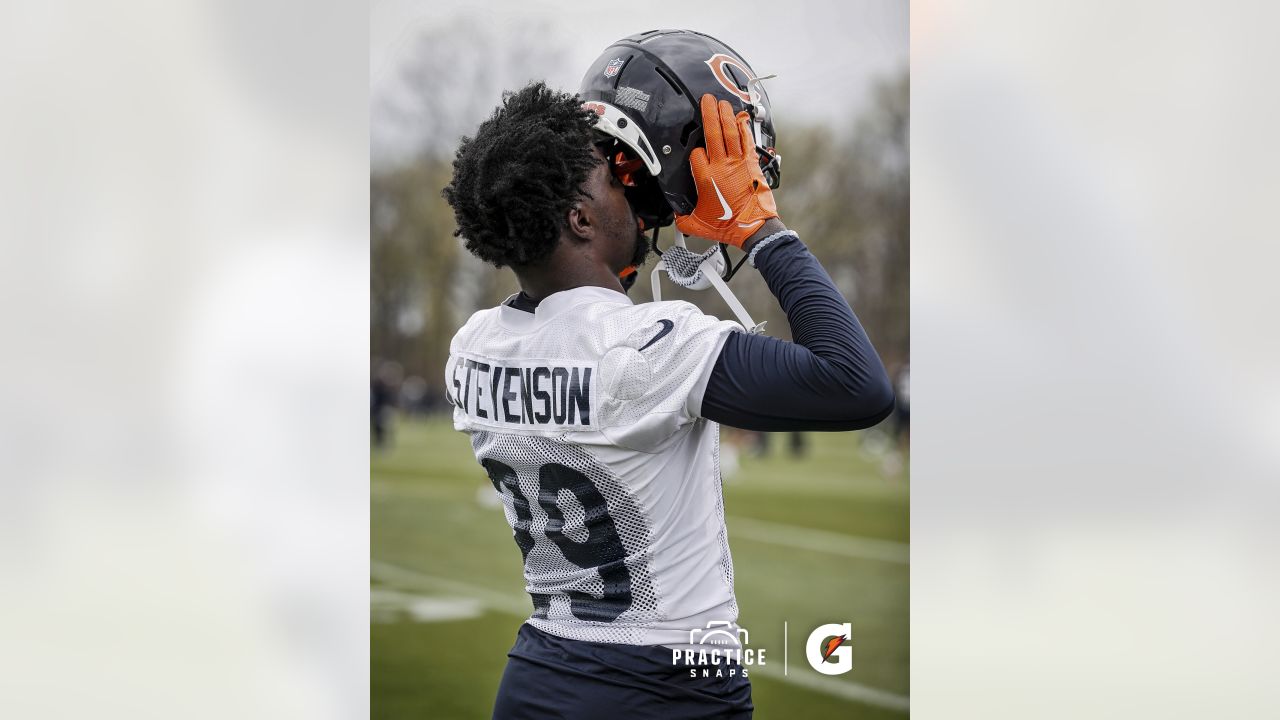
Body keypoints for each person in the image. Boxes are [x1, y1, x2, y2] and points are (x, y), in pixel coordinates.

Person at [441, 30, 894, 719]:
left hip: (536, 674)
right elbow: (855, 383)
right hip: (666, 687)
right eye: (611, 181)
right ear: (579, 218)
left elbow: (571, 323)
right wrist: (761, 227)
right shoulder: (647, 347)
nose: (633, 186)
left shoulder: (474, 346)